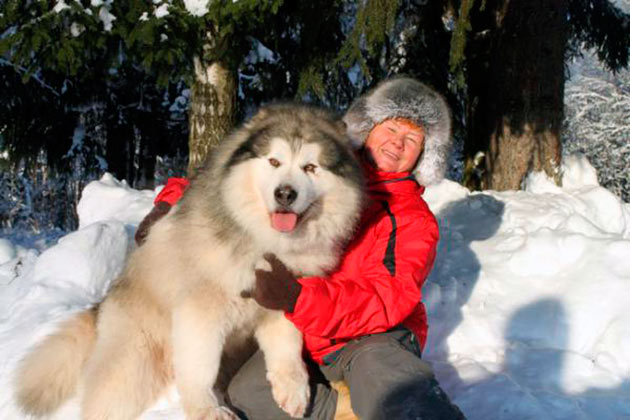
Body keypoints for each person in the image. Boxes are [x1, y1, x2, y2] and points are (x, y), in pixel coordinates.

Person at [136, 77, 464, 419]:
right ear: (369, 127)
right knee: (246, 395)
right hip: (303, 331)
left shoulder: (412, 219)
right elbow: (237, 173)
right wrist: (169, 203)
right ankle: (343, 407)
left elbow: (387, 299)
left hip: (370, 336)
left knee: (389, 383)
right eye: (391, 129)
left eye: (411, 139)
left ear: (423, 156)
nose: (397, 143)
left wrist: (298, 297)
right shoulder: (323, 159)